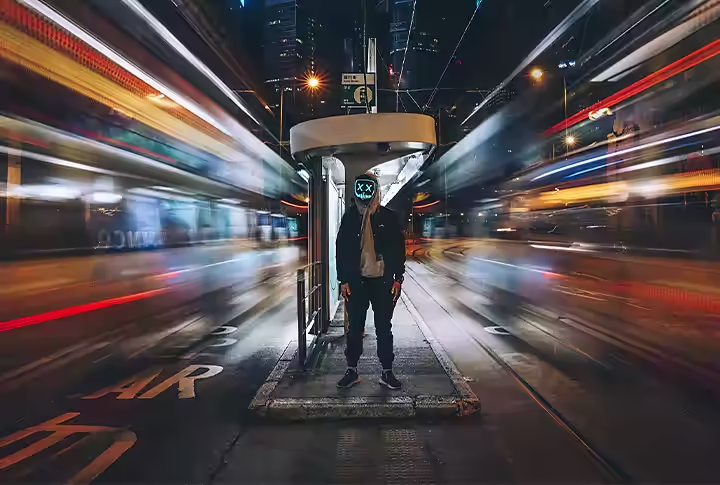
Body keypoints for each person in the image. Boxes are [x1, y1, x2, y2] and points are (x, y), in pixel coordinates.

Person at [335, 172, 406, 390]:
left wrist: (398, 278)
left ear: (376, 191)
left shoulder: (388, 217)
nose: (365, 194)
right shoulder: (349, 218)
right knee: (354, 328)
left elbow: (398, 249)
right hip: (357, 282)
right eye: (361, 188)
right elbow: (341, 250)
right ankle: (352, 370)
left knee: (384, 328)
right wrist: (343, 280)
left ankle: (387, 371)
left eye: (369, 189)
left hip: (382, 282)